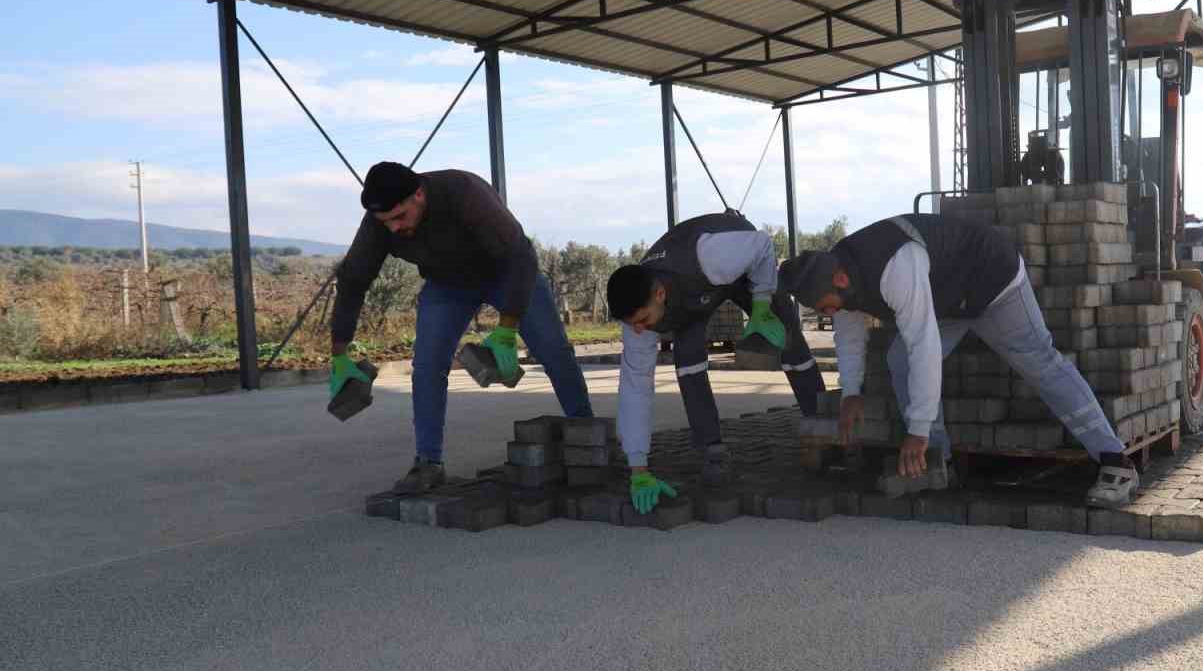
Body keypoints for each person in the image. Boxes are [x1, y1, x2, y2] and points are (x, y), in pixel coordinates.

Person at [778, 213, 1138, 505]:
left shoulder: (894, 266)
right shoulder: (838, 274)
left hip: (994, 283)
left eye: (825, 305)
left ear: (840, 280)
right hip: (949, 299)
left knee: (1041, 363)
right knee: (899, 360)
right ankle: (936, 459)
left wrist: (916, 428)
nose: (826, 313)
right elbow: (849, 333)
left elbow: (924, 344)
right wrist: (851, 391)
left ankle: (1114, 461)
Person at [328, 162, 593, 492]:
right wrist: (340, 353)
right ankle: (428, 463)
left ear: (419, 194)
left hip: (506, 273)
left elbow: (520, 257)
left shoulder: (465, 193)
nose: (394, 228)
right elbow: (353, 278)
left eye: (399, 217)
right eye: (386, 222)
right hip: (447, 285)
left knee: (553, 349)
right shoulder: (380, 223)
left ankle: (590, 437)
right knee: (426, 367)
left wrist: (507, 329)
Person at [606, 210, 824, 514]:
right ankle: (712, 450)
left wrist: (761, 304)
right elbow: (635, 389)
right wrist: (638, 470)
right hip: (694, 293)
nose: (639, 330)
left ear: (658, 294)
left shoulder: (713, 255)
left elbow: (761, 244)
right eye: (633, 324)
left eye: (643, 320)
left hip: (744, 265)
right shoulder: (637, 320)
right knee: (688, 362)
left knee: (788, 339)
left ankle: (824, 428)